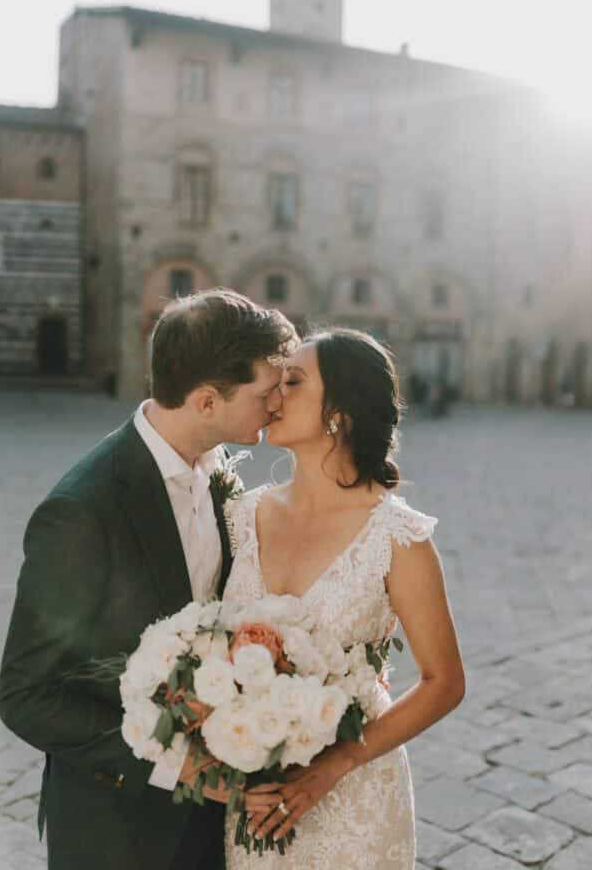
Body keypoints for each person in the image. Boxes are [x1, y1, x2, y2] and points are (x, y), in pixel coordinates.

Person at [0, 288, 298, 870]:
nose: (277, 405)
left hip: (214, 826)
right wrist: (181, 766)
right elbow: (24, 694)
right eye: (266, 392)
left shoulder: (219, 476)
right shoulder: (85, 510)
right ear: (208, 400)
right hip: (118, 828)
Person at [221, 328, 466, 868]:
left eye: (293, 382)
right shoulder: (242, 515)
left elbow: (444, 683)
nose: (273, 395)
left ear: (341, 412)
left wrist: (335, 765)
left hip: (354, 800)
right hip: (256, 795)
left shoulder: (398, 538)